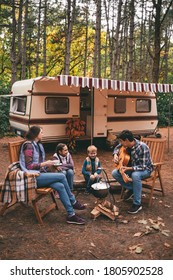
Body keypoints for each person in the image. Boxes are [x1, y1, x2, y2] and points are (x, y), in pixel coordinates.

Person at [19, 125, 86, 225]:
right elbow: (29, 166)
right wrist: (45, 164)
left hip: (39, 174)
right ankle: (73, 201)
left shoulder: (36, 145)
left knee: (60, 186)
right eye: (41, 132)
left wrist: (48, 163)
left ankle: (71, 215)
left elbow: (37, 163)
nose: (43, 134)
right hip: (32, 178)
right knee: (62, 176)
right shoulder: (28, 145)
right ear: (36, 134)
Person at [112, 130, 153, 214]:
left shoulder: (142, 147)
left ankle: (137, 204)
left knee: (135, 175)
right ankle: (132, 189)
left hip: (145, 170)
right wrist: (115, 154)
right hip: (131, 168)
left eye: (122, 141)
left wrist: (128, 168)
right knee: (115, 173)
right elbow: (117, 147)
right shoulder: (126, 145)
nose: (121, 143)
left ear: (126, 140)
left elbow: (143, 166)